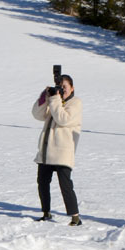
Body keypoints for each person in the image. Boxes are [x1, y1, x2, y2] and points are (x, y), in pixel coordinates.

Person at [32, 74, 83, 226]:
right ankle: (46, 212)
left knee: (65, 185)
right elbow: (37, 115)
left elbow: (63, 119)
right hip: (46, 151)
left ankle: (75, 217)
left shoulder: (75, 103)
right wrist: (45, 97)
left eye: (65, 87)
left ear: (72, 88)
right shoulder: (56, 102)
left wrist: (55, 100)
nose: (62, 90)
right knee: (42, 182)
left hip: (62, 153)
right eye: (60, 87)